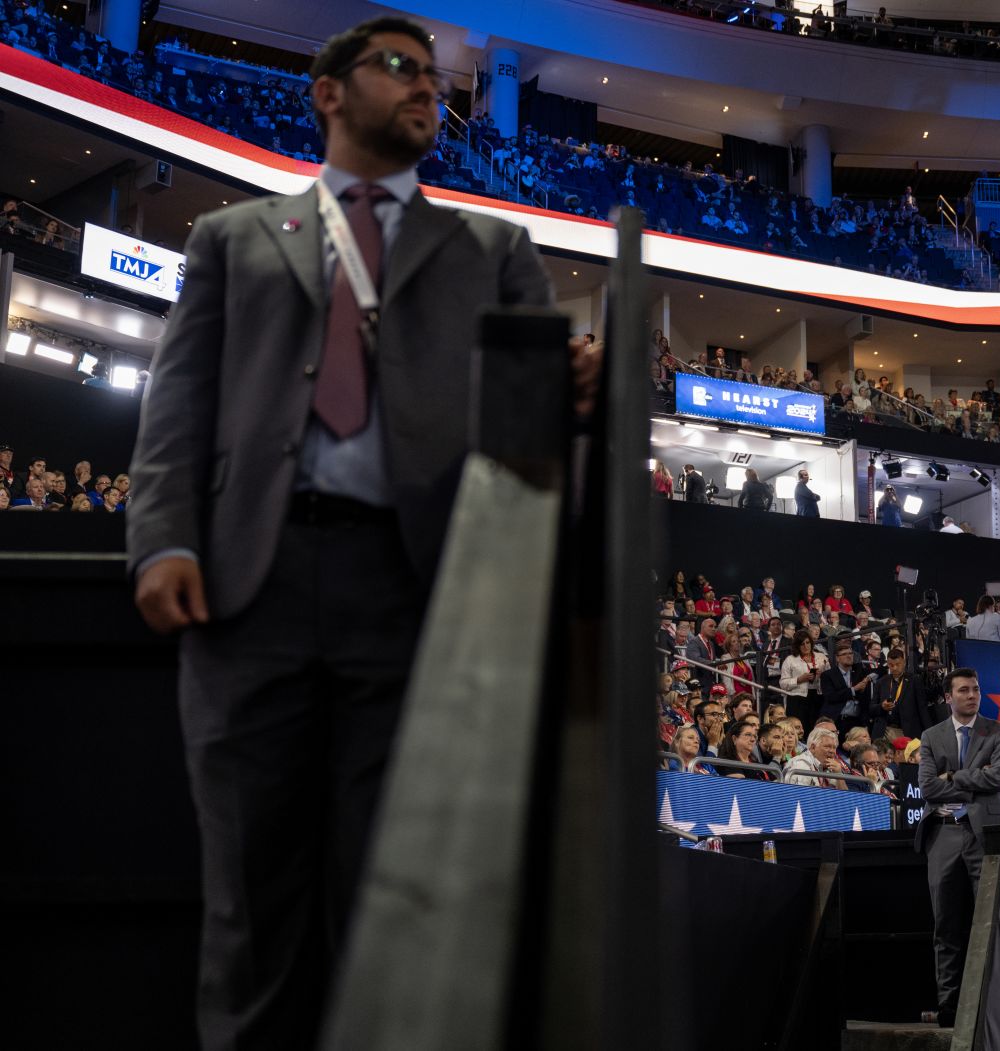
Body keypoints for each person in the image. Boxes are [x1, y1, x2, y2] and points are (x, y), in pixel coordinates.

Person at [124, 17, 591, 1048]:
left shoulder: (494, 251)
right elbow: (178, 405)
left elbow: (529, 430)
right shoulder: (232, 237)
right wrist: (162, 540)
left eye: (435, 76)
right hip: (251, 586)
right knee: (250, 900)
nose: (429, 88)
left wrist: (571, 392)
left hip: (418, 594)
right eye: (401, 68)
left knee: (395, 901)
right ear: (329, 93)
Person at [916, 668, 1000, 1029]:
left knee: (987, 923)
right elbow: (927, 788)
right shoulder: (931, 735)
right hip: (942, 835)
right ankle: (949, 1006)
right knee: (946, 926)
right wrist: (975, 778)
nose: (972, 695)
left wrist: (952, 777)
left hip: (982, 835)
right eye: (963, 690)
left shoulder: (998, 731)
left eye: (975, 689)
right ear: (948, 696)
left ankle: (989, 1003)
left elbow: (998, 778)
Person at [872, 648, 932, 739]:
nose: (894, 668)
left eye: (897, 664)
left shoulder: (914, 680)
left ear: (904, 663)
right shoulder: (881, 682)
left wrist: (930, 732)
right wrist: (882, 707)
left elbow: (922, 708)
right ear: (887, 664)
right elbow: (871, 708)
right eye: (891, 665)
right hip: (884, 730)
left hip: (907, 731)